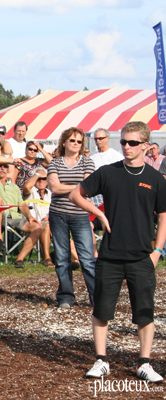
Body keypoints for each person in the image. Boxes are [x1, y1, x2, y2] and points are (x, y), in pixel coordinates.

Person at [69, 121, 166, 383]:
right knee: (101, 310)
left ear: (145, 145)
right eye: (123, 141)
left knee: (144, 312)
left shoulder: (156, 179)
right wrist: (98, 212)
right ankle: (101, 360)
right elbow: (75, 195)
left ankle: (144, 363)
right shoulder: (108, 173)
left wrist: (157, 251)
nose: (126, 146)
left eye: (132, 142)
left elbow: (164, 217)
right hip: (110, 256)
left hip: (142, 256)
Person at [47, 127, 96, 309]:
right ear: (64, 142)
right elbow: (54, 188)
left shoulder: (87, 162)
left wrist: (65, 185)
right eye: (72, 140)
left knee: (87, 258)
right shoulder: (55, 163)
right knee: (61, 257)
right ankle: (66, 297)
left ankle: (96, 297)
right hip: (58, 214)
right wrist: (77, 186)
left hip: (80, 214)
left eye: (79, 141)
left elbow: (88, 187)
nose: (76, 144)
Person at [0, 140, 42, 268]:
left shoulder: (14, 187)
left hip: (13, 218)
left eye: (5, 167)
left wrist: (30, 216)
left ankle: (19, 259)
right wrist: (11, 161)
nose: (2, 169)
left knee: (37, 228)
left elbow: (22, 205)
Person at [22, 167, 53, 267]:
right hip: (34, 223)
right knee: (46, 226)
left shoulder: (51, 194)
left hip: (51, 222)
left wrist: (50, 218)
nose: (42, 181)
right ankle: (47, 258)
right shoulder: (31, 192)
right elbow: (26, 187)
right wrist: (37, 174)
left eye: (44, 179)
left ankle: (76, 260)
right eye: (39, 179)